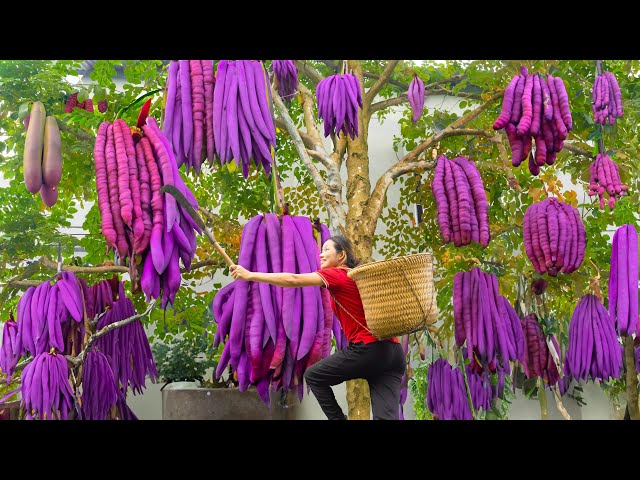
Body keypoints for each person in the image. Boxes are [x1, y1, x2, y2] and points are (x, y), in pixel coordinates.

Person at [230, 235, 406, 420]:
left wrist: (249, 275)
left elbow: (292, 280)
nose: (321, 255)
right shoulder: (356, 280)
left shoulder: (338, 274)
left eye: (326, 250)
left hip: (368, 349)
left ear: (341, 255)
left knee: (314, 376)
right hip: (392, 353)